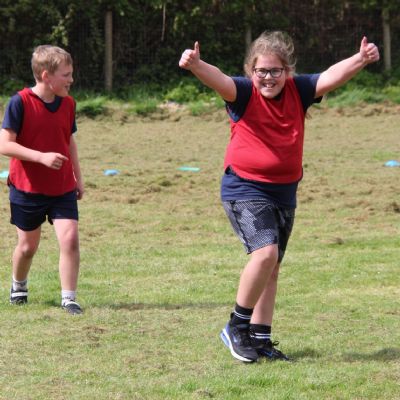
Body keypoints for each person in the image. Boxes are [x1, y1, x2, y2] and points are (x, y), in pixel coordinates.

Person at [179, 31, 379, 362]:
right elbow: (220, 80)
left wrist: (361, 58)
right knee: (265, 253)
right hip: (245, 188)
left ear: (287, 72)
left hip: (284, 191)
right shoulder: (243, 93)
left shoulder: (299, 90)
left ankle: (260, 340)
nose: (268, 77)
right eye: (262, 71)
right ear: (251, 72)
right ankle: (236, 327)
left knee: (272, 266)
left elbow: (330, 76)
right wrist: (196, 65)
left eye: (275, 71)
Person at [0, 45, 84, 315]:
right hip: (27, 189)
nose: (71, 80)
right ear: (47, 76)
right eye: (66, 75)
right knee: (27, 247)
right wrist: (41, 157)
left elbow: (69, 141)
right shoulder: (19, 102)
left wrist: (78, 177)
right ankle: (19, 285)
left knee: (70, 239)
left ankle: (69, 298)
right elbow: (4, 145)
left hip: (62, 187)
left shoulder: (68, 104)